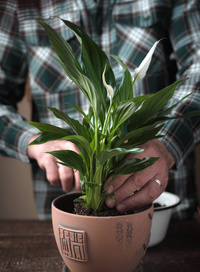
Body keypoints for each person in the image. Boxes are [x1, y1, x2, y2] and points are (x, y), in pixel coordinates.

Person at [0, 0, 200, 220]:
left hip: (165, 219)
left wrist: (166, 144)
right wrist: (35, 141)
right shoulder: (17, 4)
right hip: (67, 219)